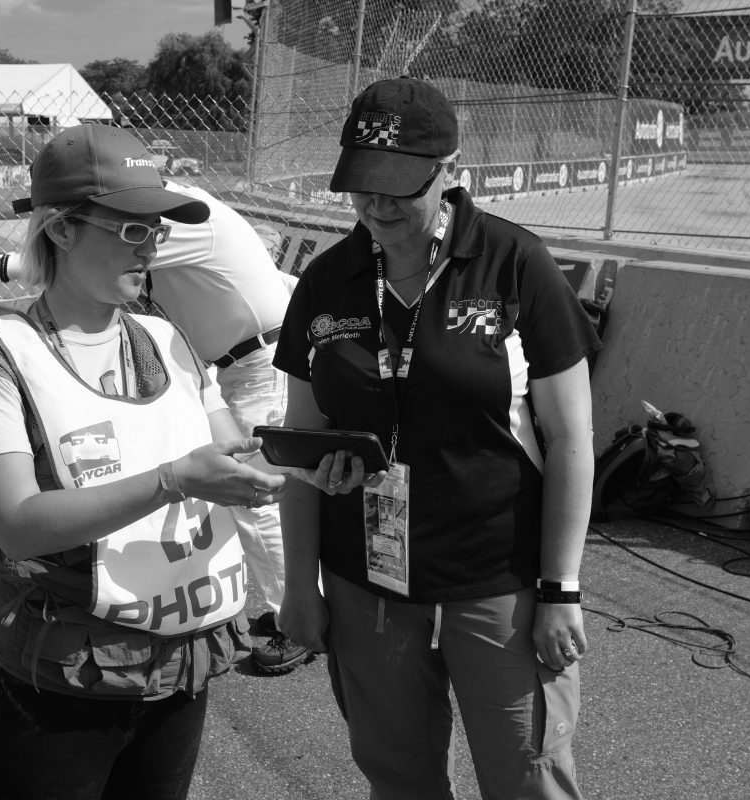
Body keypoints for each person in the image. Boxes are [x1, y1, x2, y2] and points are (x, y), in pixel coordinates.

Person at [0, 123, 286, 800]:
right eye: (132, 229)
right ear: (60, 229)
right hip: (56, 683)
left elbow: (230, 453)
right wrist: (173, 480)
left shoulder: (167, 338)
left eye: (158, 230)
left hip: (177, 670)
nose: (152, 248)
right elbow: (17, 524)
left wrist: (293, 467)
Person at [273, 77, 602, 800]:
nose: (378, 206)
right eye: (362, 186)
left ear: (451, 170)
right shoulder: (327, 281)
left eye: (400, 187)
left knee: (530, 781)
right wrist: (299, 585)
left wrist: (561, 589)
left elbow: (571, 439)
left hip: (498, 583)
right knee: (399, 780)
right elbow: (301, 441)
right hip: (367, 582)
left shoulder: (515, 264)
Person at [145, 180, 310, 674]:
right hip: (245, 362)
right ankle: (302, 605)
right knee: (261, 493)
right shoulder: (174, 205)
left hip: (261, 361)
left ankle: (299, 623)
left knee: (256, 496)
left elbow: (94, 257)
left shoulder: (179, 212)